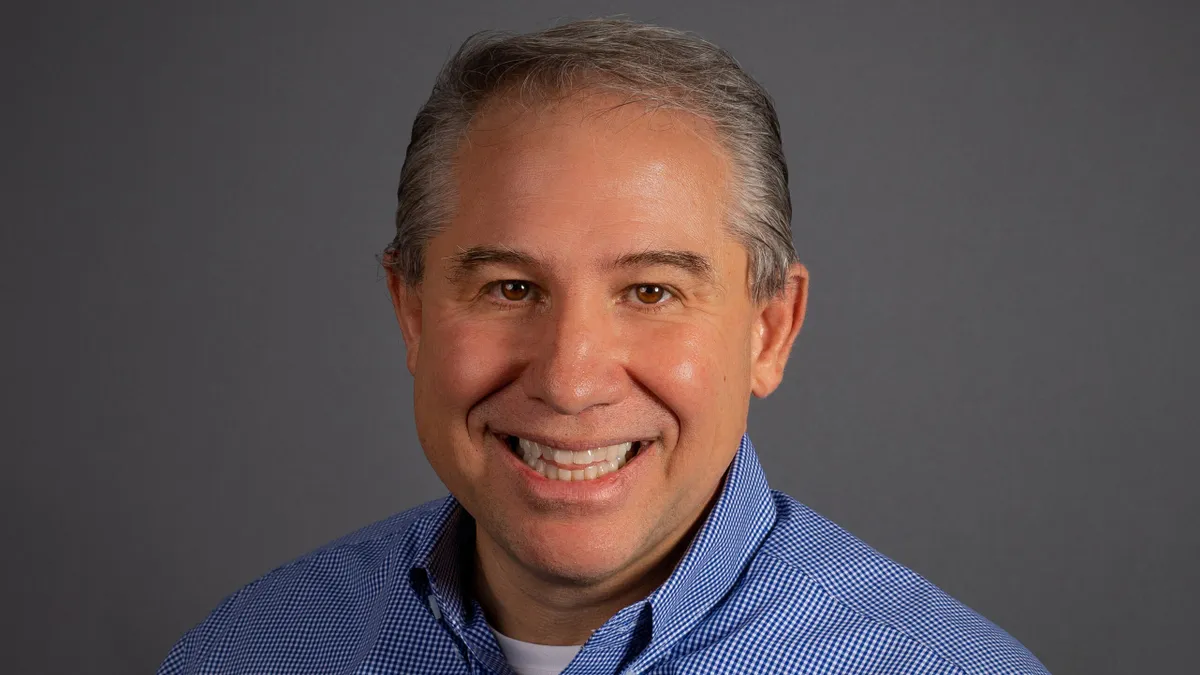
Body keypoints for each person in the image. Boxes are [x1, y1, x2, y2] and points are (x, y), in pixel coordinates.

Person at [158, 18, 1049, 675]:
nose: (571, 378)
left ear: (769, 330)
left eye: (652, 291)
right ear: (413, 312)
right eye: (510, 287)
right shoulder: (246, 650)